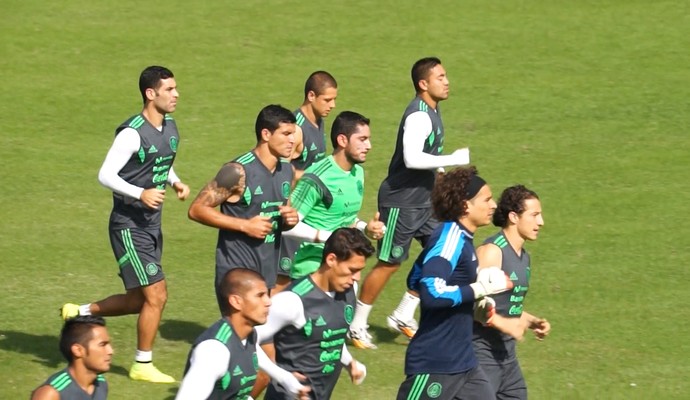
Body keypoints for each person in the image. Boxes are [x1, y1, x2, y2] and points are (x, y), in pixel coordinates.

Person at [61, 66, 189, 383]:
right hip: (128, 226)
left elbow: (158, 161)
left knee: (138, 300)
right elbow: (105, 174)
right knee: (157, 296)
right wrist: (140, 193)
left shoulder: (170, 126)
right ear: (151, 93)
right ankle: (141, 364)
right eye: (169, 89)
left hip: (151, 224)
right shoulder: (132, 133)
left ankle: (82, 312)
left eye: (175, 88)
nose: (176, 94)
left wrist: (175, 182)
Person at [350, 56, 471, 349]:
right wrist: (453, 159)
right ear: (423, 84)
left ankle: (404, 313)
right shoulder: (419, 115)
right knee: (389, 262)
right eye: (440, 77)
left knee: (443, 254)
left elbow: (427, 159)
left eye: (445, 75)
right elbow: (412, 157)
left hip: (426, 202)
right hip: (401, 202)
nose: (446, 81)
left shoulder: (433, 110)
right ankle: (356, 326)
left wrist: (442, 178)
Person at [397, 167, 513, 400]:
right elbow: (431, 292)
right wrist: (479, 289)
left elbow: (416, 277)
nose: (493, 205)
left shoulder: (462, 238)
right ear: (465, 205)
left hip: (464, 363)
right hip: (435, 364)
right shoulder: (449, 238)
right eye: (487, 199)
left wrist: (476, 307)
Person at [187, 104, 299, 312]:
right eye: (286, 134)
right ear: (266, 134)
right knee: (243, 339)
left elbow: (281, 211)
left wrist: (289, 219)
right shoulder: (237, 172)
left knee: (259, 340)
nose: (292, 140)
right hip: (237, 273)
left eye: (293, 133)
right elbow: (197, 209)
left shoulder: (287, 171)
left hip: (266, 272)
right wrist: (245, 226)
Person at [255, 228, 374, 400]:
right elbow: (247, 339)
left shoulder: (348, 291)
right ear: (331, 259)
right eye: (352, 269)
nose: (357, 277)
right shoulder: (292, 301)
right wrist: (283, 377)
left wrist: (349, 362)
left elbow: (330, 336)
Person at [282, 111, 385, 280]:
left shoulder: (357, 173)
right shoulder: (317, 177)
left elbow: (344, 218)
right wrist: (328, 237)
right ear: (342, 140)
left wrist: (365, 228)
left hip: (346, 270)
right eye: (362, 139)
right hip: (314, 271)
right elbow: (287, 226)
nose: (369, 146)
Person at [472, 185, 551, 399]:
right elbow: (472, 304)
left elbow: (505, 306)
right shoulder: (492, 252)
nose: (541, 222)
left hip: (507, 356)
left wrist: (532, 321)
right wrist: (506, 325)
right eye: (534, 215)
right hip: (481, 355)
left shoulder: (524, 257)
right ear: (514, 217)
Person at [276, 71, 338, 292]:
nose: (332, 105)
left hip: (307, 210)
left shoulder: (318, 121)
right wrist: (313, 179)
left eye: (334, 99)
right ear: (311, 96)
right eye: (327, 100)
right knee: (282, 281)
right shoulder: (297, 129)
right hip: (292, 211)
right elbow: (279, 169)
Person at [175, 269, 271, 400]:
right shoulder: (213, 351)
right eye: (260, 295)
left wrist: (288, 379)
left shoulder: (248, 336)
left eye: (267, 294)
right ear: (236, 302)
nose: (268, 302)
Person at [31, 316, 113, 400]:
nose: (110, 351)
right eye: (102, 345)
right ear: (78, 350)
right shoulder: (50, 394)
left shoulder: (101, 383)